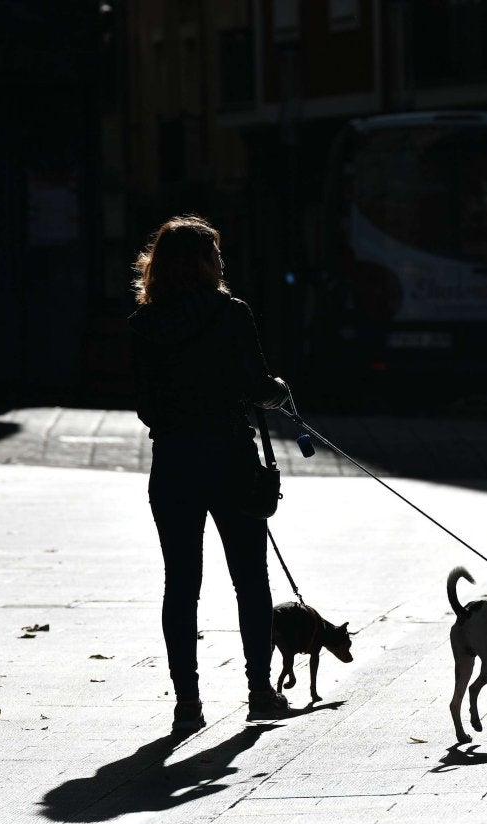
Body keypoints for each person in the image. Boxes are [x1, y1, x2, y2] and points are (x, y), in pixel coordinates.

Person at [129, 214, 293, 731]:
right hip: (230, 459)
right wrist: (279, 390)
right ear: (202, 263)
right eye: (216, 254)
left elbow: (146, 408)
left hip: (174, 463)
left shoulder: (144, 325)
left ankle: (187, 703)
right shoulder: (231, 314)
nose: (222, 262)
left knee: (180, 585)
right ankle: (260, 691)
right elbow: (257, 387)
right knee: (251, 580)